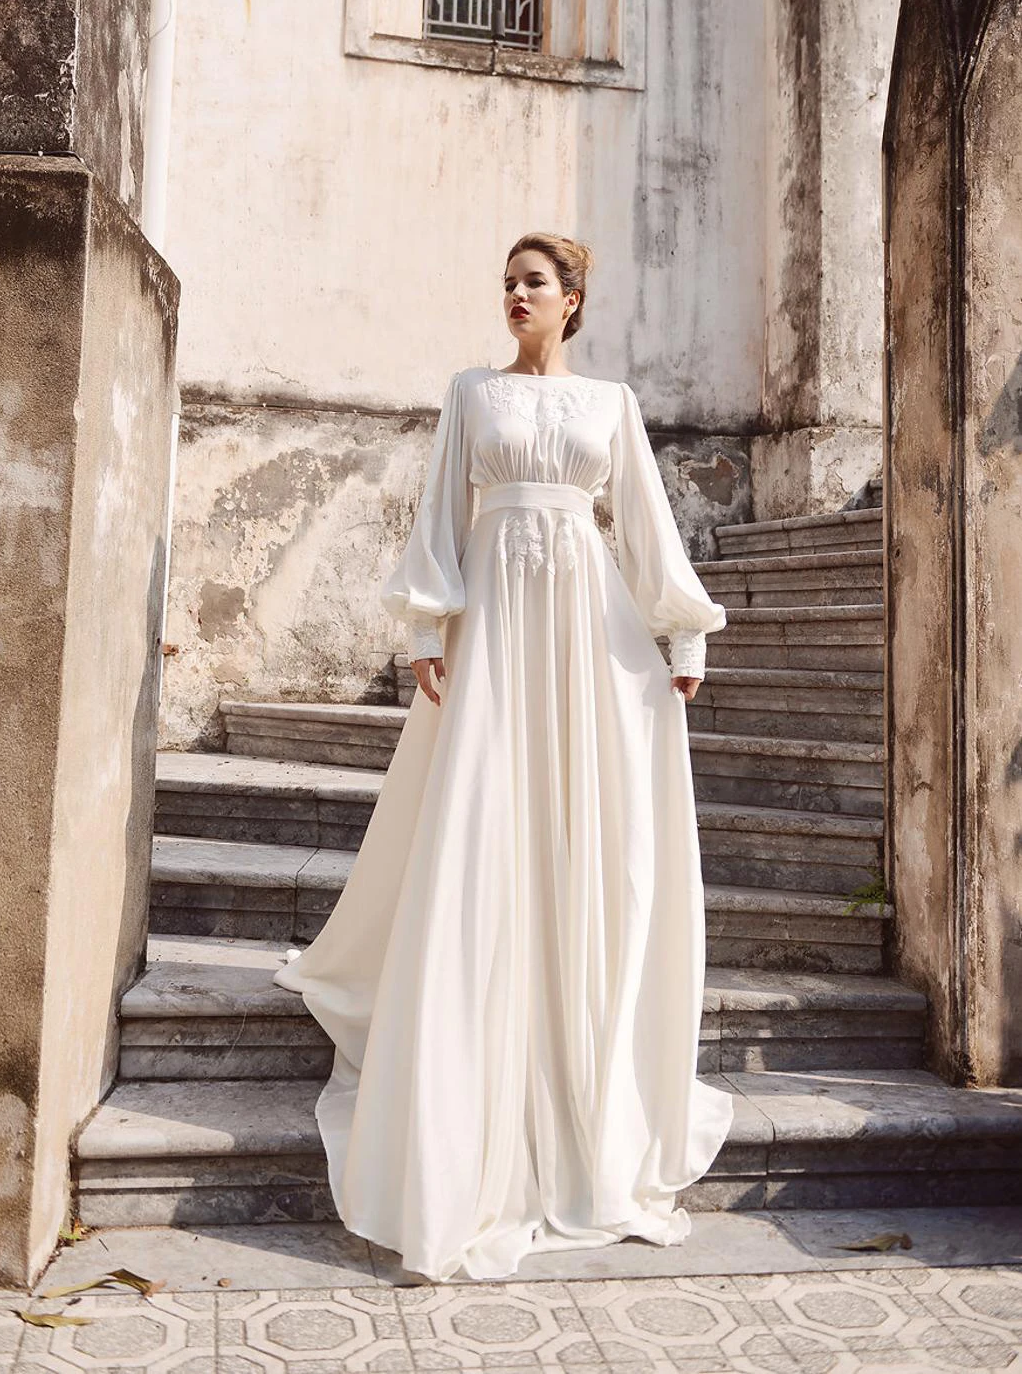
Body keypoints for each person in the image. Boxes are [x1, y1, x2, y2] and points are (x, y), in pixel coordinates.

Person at [273, 232, 734, 1281]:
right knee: (482, 828)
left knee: (585, 840)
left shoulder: (610, 404)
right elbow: (443, 514)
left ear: (572, 300)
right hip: (495, 628)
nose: (515, 295)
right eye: (508, 283)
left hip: (587, 627)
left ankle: (582, 1088)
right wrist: (428, 630)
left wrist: (684, 632)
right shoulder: (471, 394)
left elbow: (646, 527)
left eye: (534, 282)